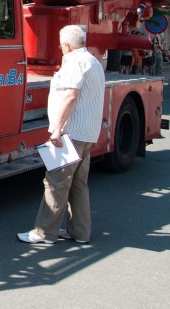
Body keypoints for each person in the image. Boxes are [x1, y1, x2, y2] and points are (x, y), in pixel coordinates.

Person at [17, 24, 105, 245]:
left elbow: (70, 96)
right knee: (78, 184)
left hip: (69, 133)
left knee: (55, 182)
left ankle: (45, 233)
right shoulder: (93, 61)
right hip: (87, 133)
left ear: (65, 45)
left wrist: (57, 128)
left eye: (60, 44)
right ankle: (80, 232)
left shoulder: (74, 63)